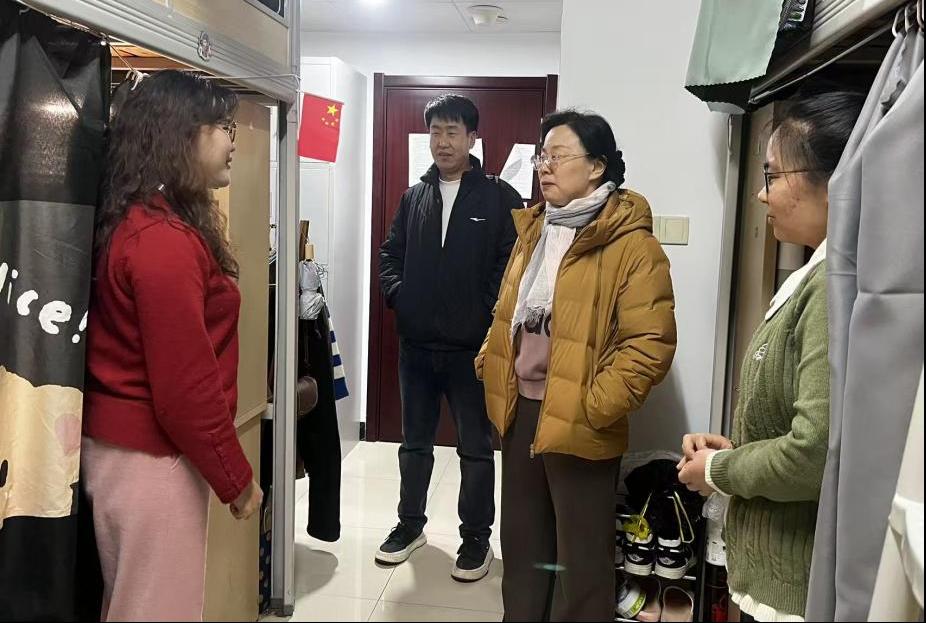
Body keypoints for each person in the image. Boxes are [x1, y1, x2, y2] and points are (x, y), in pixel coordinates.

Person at [477, 109, 677, 621]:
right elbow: (507, 310)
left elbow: (649, 344)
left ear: (596, 166)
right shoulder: (535, 230)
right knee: (523, 547)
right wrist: (489, 361)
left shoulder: (632, 244)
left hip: (582, 417)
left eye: (558, 156)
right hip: (521, 410)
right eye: (542, 156)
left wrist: (593, 406)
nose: (545, 166)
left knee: (581, 561)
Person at [677, 91, 865, 622]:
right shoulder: (823, 272)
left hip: (798, 579)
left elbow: (813, 453)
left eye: (774, 175)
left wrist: (719, 469)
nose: (762, 194)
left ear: (837, 182)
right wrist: (737, 450)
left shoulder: (835, 285)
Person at [82, 70, 263, 622]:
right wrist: (236, 479)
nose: (233, 141)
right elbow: (185, 388)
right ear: (180, 134)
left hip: (127, 455)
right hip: (151, 461)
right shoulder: (162, 243)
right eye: (223, 126)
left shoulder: (142, 222)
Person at [376, 94, 521, 581]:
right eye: (436, 131)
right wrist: (401, 297)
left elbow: (510, 264)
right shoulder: (414, 197)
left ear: (473, 138)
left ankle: (476, 539)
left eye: (453, 131)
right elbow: (390, 254)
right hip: (416, 347)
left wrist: (483, 312)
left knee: (475, 449)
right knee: (414, 444)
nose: (443, 141)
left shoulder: (499, 197)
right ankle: (409, 525)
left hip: (471, 351)